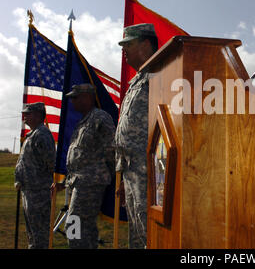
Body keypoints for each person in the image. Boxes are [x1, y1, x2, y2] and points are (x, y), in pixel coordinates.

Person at [52, 83, 116, 248]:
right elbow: (79, 157)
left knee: (74, 224)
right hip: (78, 182)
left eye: (75, 97)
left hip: (90, 182)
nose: (72, 101)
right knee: (85, 229)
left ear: (87, 97)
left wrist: (103, 175)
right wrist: (64, 182)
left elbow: (111, 150)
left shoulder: (100, 118)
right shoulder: (82, 122)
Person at [115, 23, 158, 248]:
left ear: (145, 44)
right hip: (132, 171)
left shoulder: (160, 76)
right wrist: (122, 176)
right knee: (136, 234)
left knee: (149, 234)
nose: (124, 50)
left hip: (149, 171)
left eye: (128, 44)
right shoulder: (136, 82)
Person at [15, 102, 55, 249]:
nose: (24, 116)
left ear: (38, 115)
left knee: (39, 234)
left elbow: (51, 163)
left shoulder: (42, 135)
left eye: (28, 113)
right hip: (29, 191)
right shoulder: (32, 135)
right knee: (32, 233)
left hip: (39, 193)